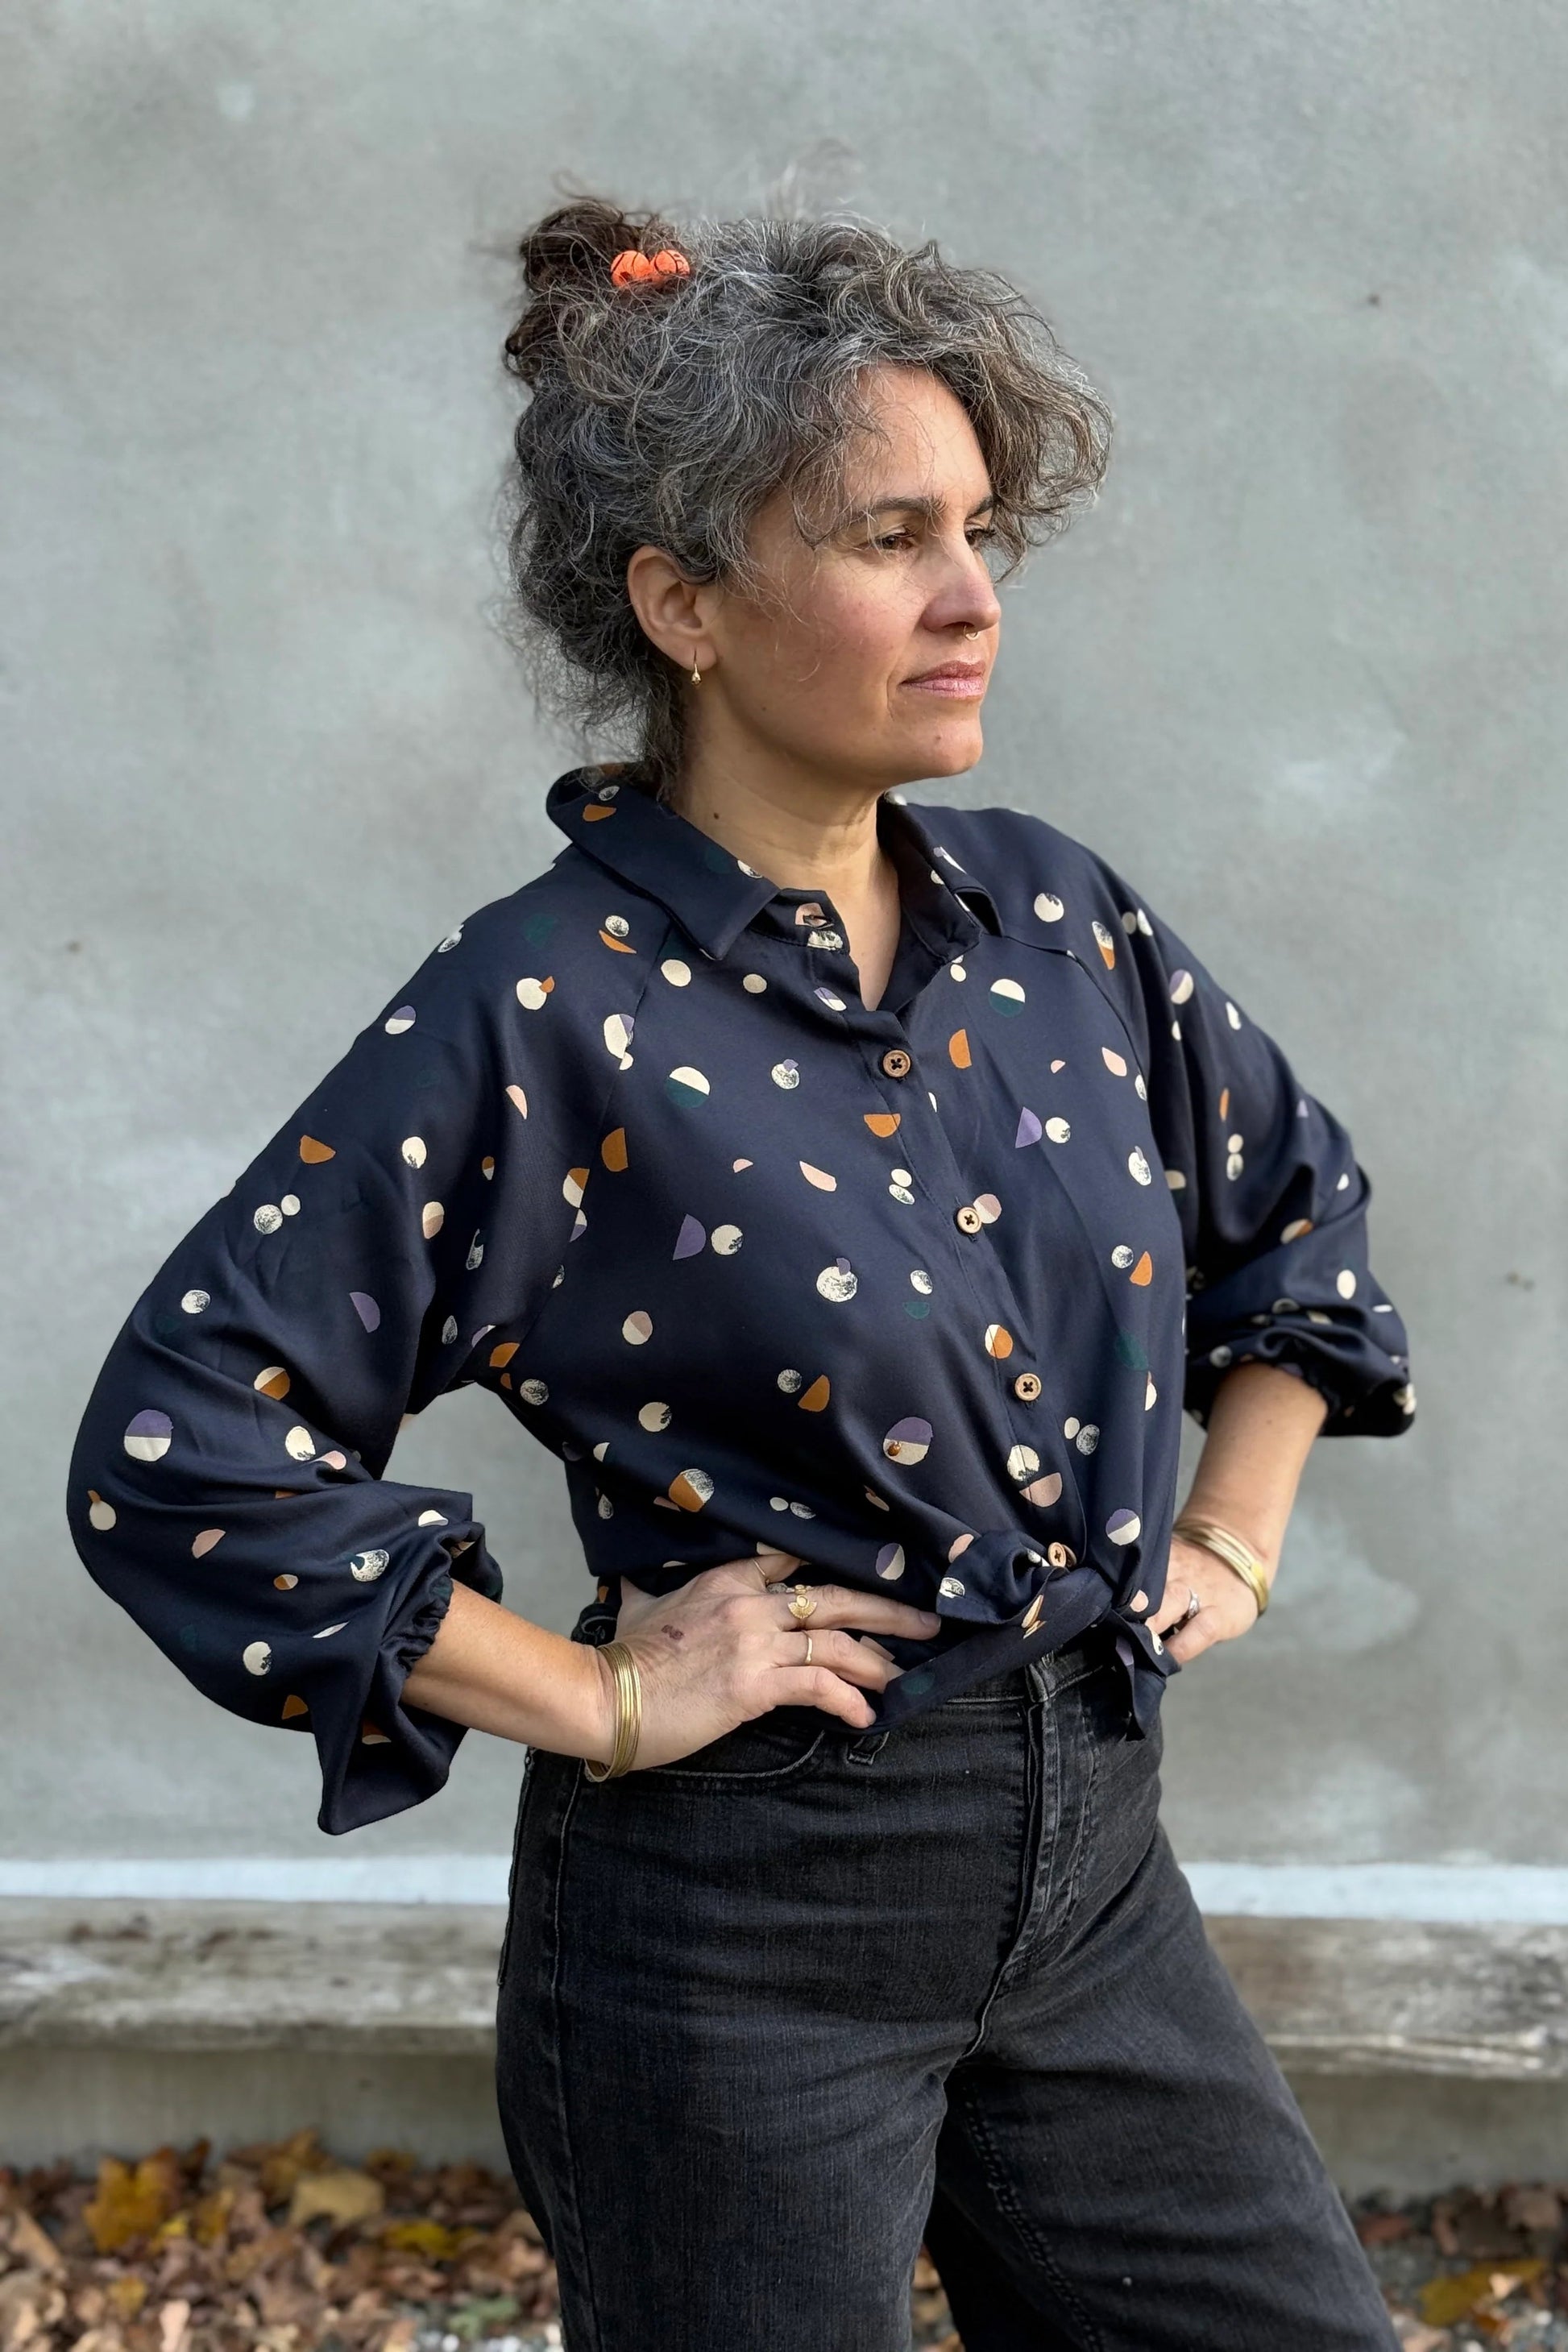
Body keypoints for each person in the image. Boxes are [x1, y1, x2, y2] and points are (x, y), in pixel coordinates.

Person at [68, 197, 1417, 2350]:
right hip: (740, 1920)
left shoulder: (1056, 929)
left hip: (1088, 1865)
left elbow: (1294, 1225)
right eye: (890, 538)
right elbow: (186, 1442)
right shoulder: (539, 1011)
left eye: (978, 532)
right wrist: (593, 1696)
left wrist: (1230, 1536)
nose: (970, 598)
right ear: (682, 601)